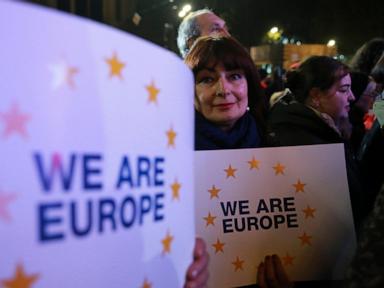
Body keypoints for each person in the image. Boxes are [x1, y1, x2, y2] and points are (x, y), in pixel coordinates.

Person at [184, 35, 289, 287]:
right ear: (190, 93)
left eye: (234, 76)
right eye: (207, 79)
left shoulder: (281, 150)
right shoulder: (172, 160)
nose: (223, 89)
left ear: (249, 85)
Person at [267, 56, 371, 228]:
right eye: (344, 90)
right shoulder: (301, 140)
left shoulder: (322, 128)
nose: (352, 97)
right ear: (316, 95)